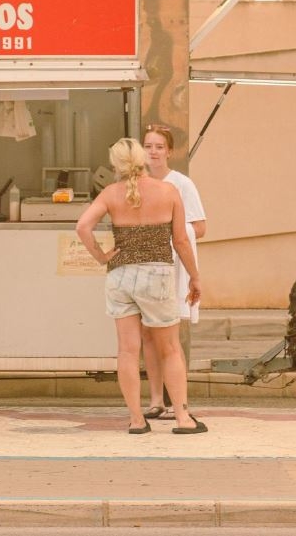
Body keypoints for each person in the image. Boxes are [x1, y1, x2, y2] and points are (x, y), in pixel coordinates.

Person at [75, 138, 207, 435]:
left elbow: (82, 226)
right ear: (142, 159)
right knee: (171, 348)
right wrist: (194, 276)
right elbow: (182, 241)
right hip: (156, 276)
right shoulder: (168, 191)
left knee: (127, 351)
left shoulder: (110, 193)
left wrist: (101, 257)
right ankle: (184, 419)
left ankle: (136, 419)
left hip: (119, 275)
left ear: (116, 165)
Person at [140, 124, 207, 421]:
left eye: (158, 146)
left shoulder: (182, 184)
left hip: (173, 266)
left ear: (169, 151)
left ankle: (178, 402)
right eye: (148, 146)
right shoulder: (136, 183)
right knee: (146, 335)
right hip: (144, 265)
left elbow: (199, 228)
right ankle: (155, 399)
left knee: (169, 335)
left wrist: (169, 233)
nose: (153, 152)